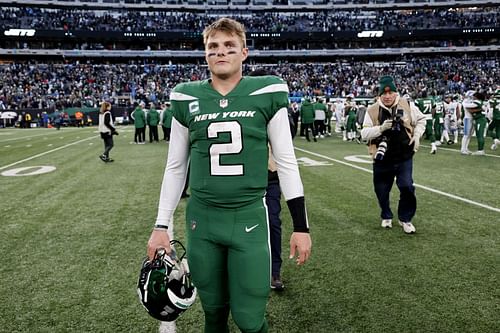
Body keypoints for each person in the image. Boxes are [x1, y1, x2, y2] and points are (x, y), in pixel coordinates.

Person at [147, 18, 312, 333]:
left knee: (250, 319)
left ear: (244, 52)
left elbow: (287, 161)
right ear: (205, 54)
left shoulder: (267, 90)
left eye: (228, 46)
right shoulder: (185, 97)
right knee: (213, 312)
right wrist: (161, 225)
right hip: (202, 220)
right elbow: (175, 166)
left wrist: (301, 226)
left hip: (248, 217)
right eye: (213, 47)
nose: (220, 52)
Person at [361, 75, 426, 234]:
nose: (388, 96)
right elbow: (363, 133)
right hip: (382, 157)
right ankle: (386, 214)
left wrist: (416, 136)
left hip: (404, 155)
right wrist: (381, 128)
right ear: (379, 95)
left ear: (396, 93)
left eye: (391, 93)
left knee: (407, 187)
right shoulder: (372, 110)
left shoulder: (407, 104)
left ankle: (405, 218)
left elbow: (422, 120)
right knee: (381, 190)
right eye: (384, 93)